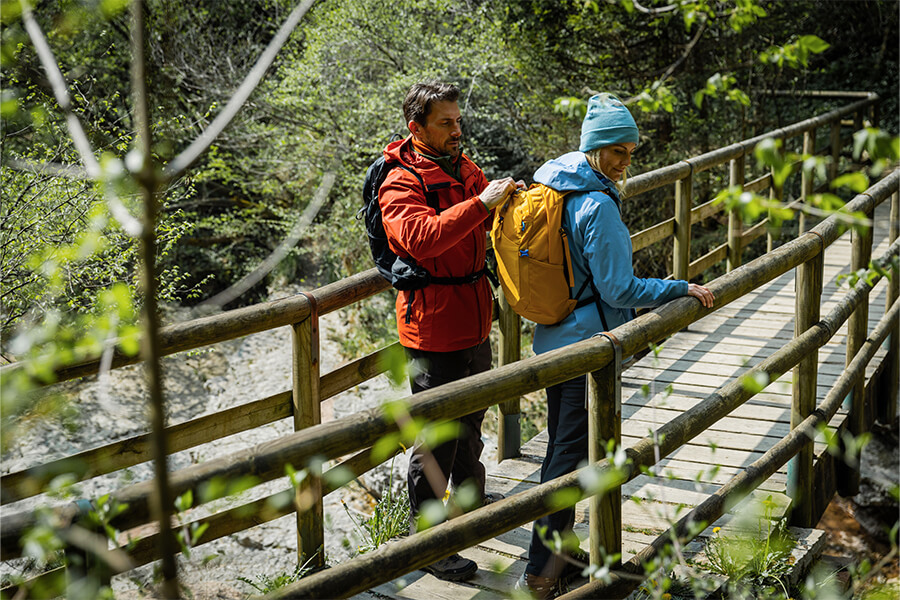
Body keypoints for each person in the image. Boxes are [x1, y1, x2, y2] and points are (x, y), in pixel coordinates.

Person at [516, 94, 715, 599]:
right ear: (595, 149)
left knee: (568, 450)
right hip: (589, 350)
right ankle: (541, 573)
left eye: (631, 152)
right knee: (569, 457)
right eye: (617, 152)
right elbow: (619, 289)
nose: (626, 163)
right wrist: (677, 287)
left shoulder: (554, 186)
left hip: (554, 338)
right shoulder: (598, 205)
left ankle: (559, 555)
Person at [378, 80, 520, 581]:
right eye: (447, 122)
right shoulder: (399, 181)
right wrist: (483, 204)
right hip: (433, 327)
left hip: (474, 316)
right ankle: (429, 543)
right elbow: (420, 239)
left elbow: (479, 221)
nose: (458, 129)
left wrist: (503, 202)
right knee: (435, 441)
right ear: (416, 128)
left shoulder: (464, 167)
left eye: (459, 120)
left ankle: (471, 499)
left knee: (472, 422)